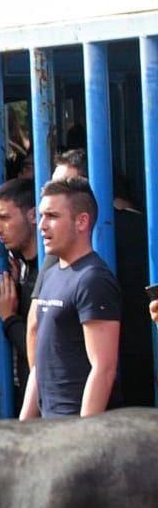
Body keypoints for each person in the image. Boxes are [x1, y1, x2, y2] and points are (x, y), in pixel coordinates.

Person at [50, 149, 153, 407]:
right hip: (131, 371)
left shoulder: (70, 247)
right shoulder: (143, 227)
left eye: (66, 186)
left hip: (89, 388)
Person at [19, 177, 119, 420]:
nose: (42, 225)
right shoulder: (51, 274)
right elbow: (39, 366)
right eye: (41, 216)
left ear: (82, 221)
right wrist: (23, 427)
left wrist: (82, 435)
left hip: (76, 429)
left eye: (52, 216)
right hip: (50, 426)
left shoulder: (93, 278)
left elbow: (103, 368)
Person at [0, 176, 40, 398]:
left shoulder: (49, 270)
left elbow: (38, 352)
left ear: (33, 216)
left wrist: (9, 318)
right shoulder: (22, 267)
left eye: (4, 218)